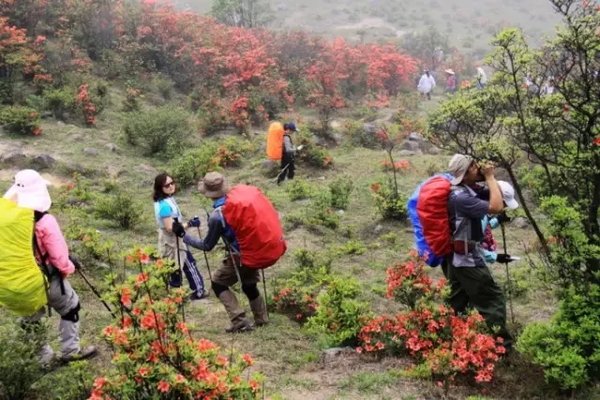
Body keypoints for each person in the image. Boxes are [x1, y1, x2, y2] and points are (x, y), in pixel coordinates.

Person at [3, 169, 97, 364]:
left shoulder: (7, 222)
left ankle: (43, 359)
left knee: (31, 320)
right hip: (48, 278)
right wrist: (69, 268)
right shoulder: (45, 221)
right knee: (70, 307)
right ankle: (70, 351)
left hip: (20, 282)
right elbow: (59, 257)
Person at [172, 172, 268, 333]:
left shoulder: (217, 216)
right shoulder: (238, 202)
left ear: (209, 194)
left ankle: (239, 321)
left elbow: (207, 245)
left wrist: (184, 236)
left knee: (218, 284)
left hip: (238, 255)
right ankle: (262, 318)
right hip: (253, 250)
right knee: (249, 284)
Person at [446, 155, 513, 349]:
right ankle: (502, 347)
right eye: (474, 166)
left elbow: (491, 198)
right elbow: (496, 207)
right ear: (465, 174)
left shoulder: (465, 190)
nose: (479, 168)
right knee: (493, 299)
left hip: (456, 257)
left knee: (457, 301)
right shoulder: (461, 198)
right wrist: (491, 177)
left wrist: (484, 178)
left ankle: (450, 339)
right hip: (467, 258)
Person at [153, 172, 207, 300]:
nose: (171, 186)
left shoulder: (165, 200)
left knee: (177, 265)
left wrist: (186, 224)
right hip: (173, 240)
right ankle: (196, 292)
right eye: (167, 185)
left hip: (171, 238)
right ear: (160, 188)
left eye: (172, 183)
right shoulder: (164, 206)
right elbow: (170, 227)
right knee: (184, 265)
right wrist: (189, 224)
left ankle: (176, 296)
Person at [481, 181, 519, 264]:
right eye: (504, 203)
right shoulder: (480, 213)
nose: (504, 207)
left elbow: (484, 228)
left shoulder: (484, 209)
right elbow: (470, 247)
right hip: (469, 263)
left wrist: (498, 220)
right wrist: (495, 257)